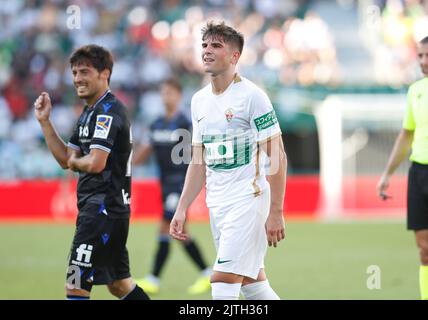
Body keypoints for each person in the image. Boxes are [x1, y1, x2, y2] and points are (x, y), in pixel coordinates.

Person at [169, 21, 287, 300]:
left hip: (249, 201)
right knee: (252, 284)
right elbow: (198, 161)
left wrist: (276, 211)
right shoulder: (198, 101)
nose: (207, 51)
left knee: (222, 281)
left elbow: (277, 156)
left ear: (234, 56)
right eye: (205, 45)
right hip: (218, 206)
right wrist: (182, 207)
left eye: (216, 45)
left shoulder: (253, 97)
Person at [34, 44, 149, 300]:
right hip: (106, 211)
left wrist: (77, 163)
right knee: (119, 285)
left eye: (84, 71)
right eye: (74, 72)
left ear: (104, 73)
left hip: (101, 211)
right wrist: (45, 122)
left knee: (75, 285)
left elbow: (95, 163)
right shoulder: (89, 112)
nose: (77, 79)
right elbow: (66, 159)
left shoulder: (108, 111)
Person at [377, 34, 428, 300]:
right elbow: (406, 134)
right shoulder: (415, 90)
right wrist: (387, 174)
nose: (424, 61)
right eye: (420, 55)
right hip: (420, 175)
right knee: (426, 251)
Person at [133, 78, 211, 295]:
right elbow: (144, 152)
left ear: (178, 95)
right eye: (163, 93)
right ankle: (207, 273)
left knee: (166, 226)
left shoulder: (186, 121)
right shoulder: (156, 123)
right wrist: (126, 163)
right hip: (164, 184)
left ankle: (154, 279)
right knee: (180, 231)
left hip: (181, 182)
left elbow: (199, 150)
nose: (165, 97)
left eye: (169, 92)